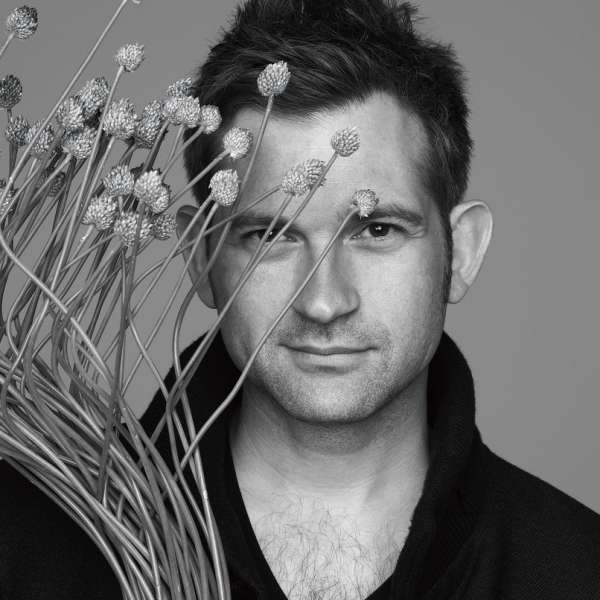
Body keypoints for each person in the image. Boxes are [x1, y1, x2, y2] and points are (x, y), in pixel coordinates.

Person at [1, 1, 599, 599]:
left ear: (461, 253)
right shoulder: (22, 546)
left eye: (377, 230)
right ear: (199, 256)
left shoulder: (578, 570)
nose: (323, 302)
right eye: (271, 236)